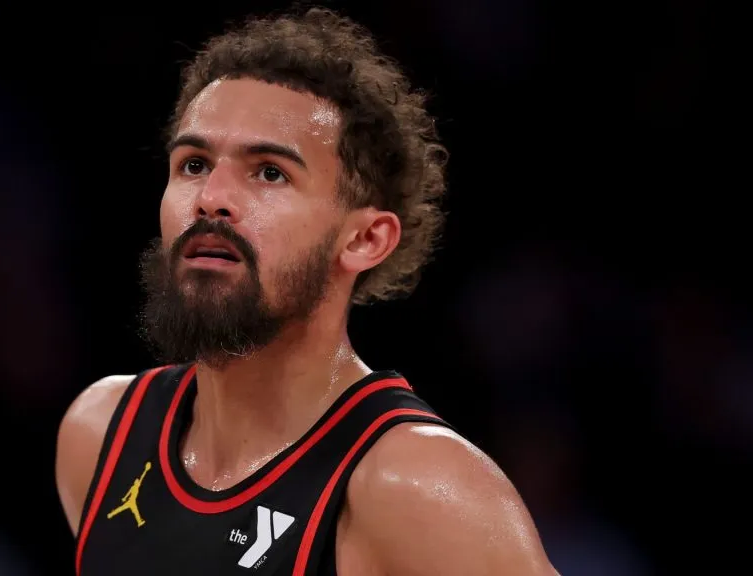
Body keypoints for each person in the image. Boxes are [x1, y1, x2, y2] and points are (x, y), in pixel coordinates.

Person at [55, 7, 558, 576]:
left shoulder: (413, 488)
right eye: (193, 164)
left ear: (365, 238)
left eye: (269, 172)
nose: (211, 197)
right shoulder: (99, 434)